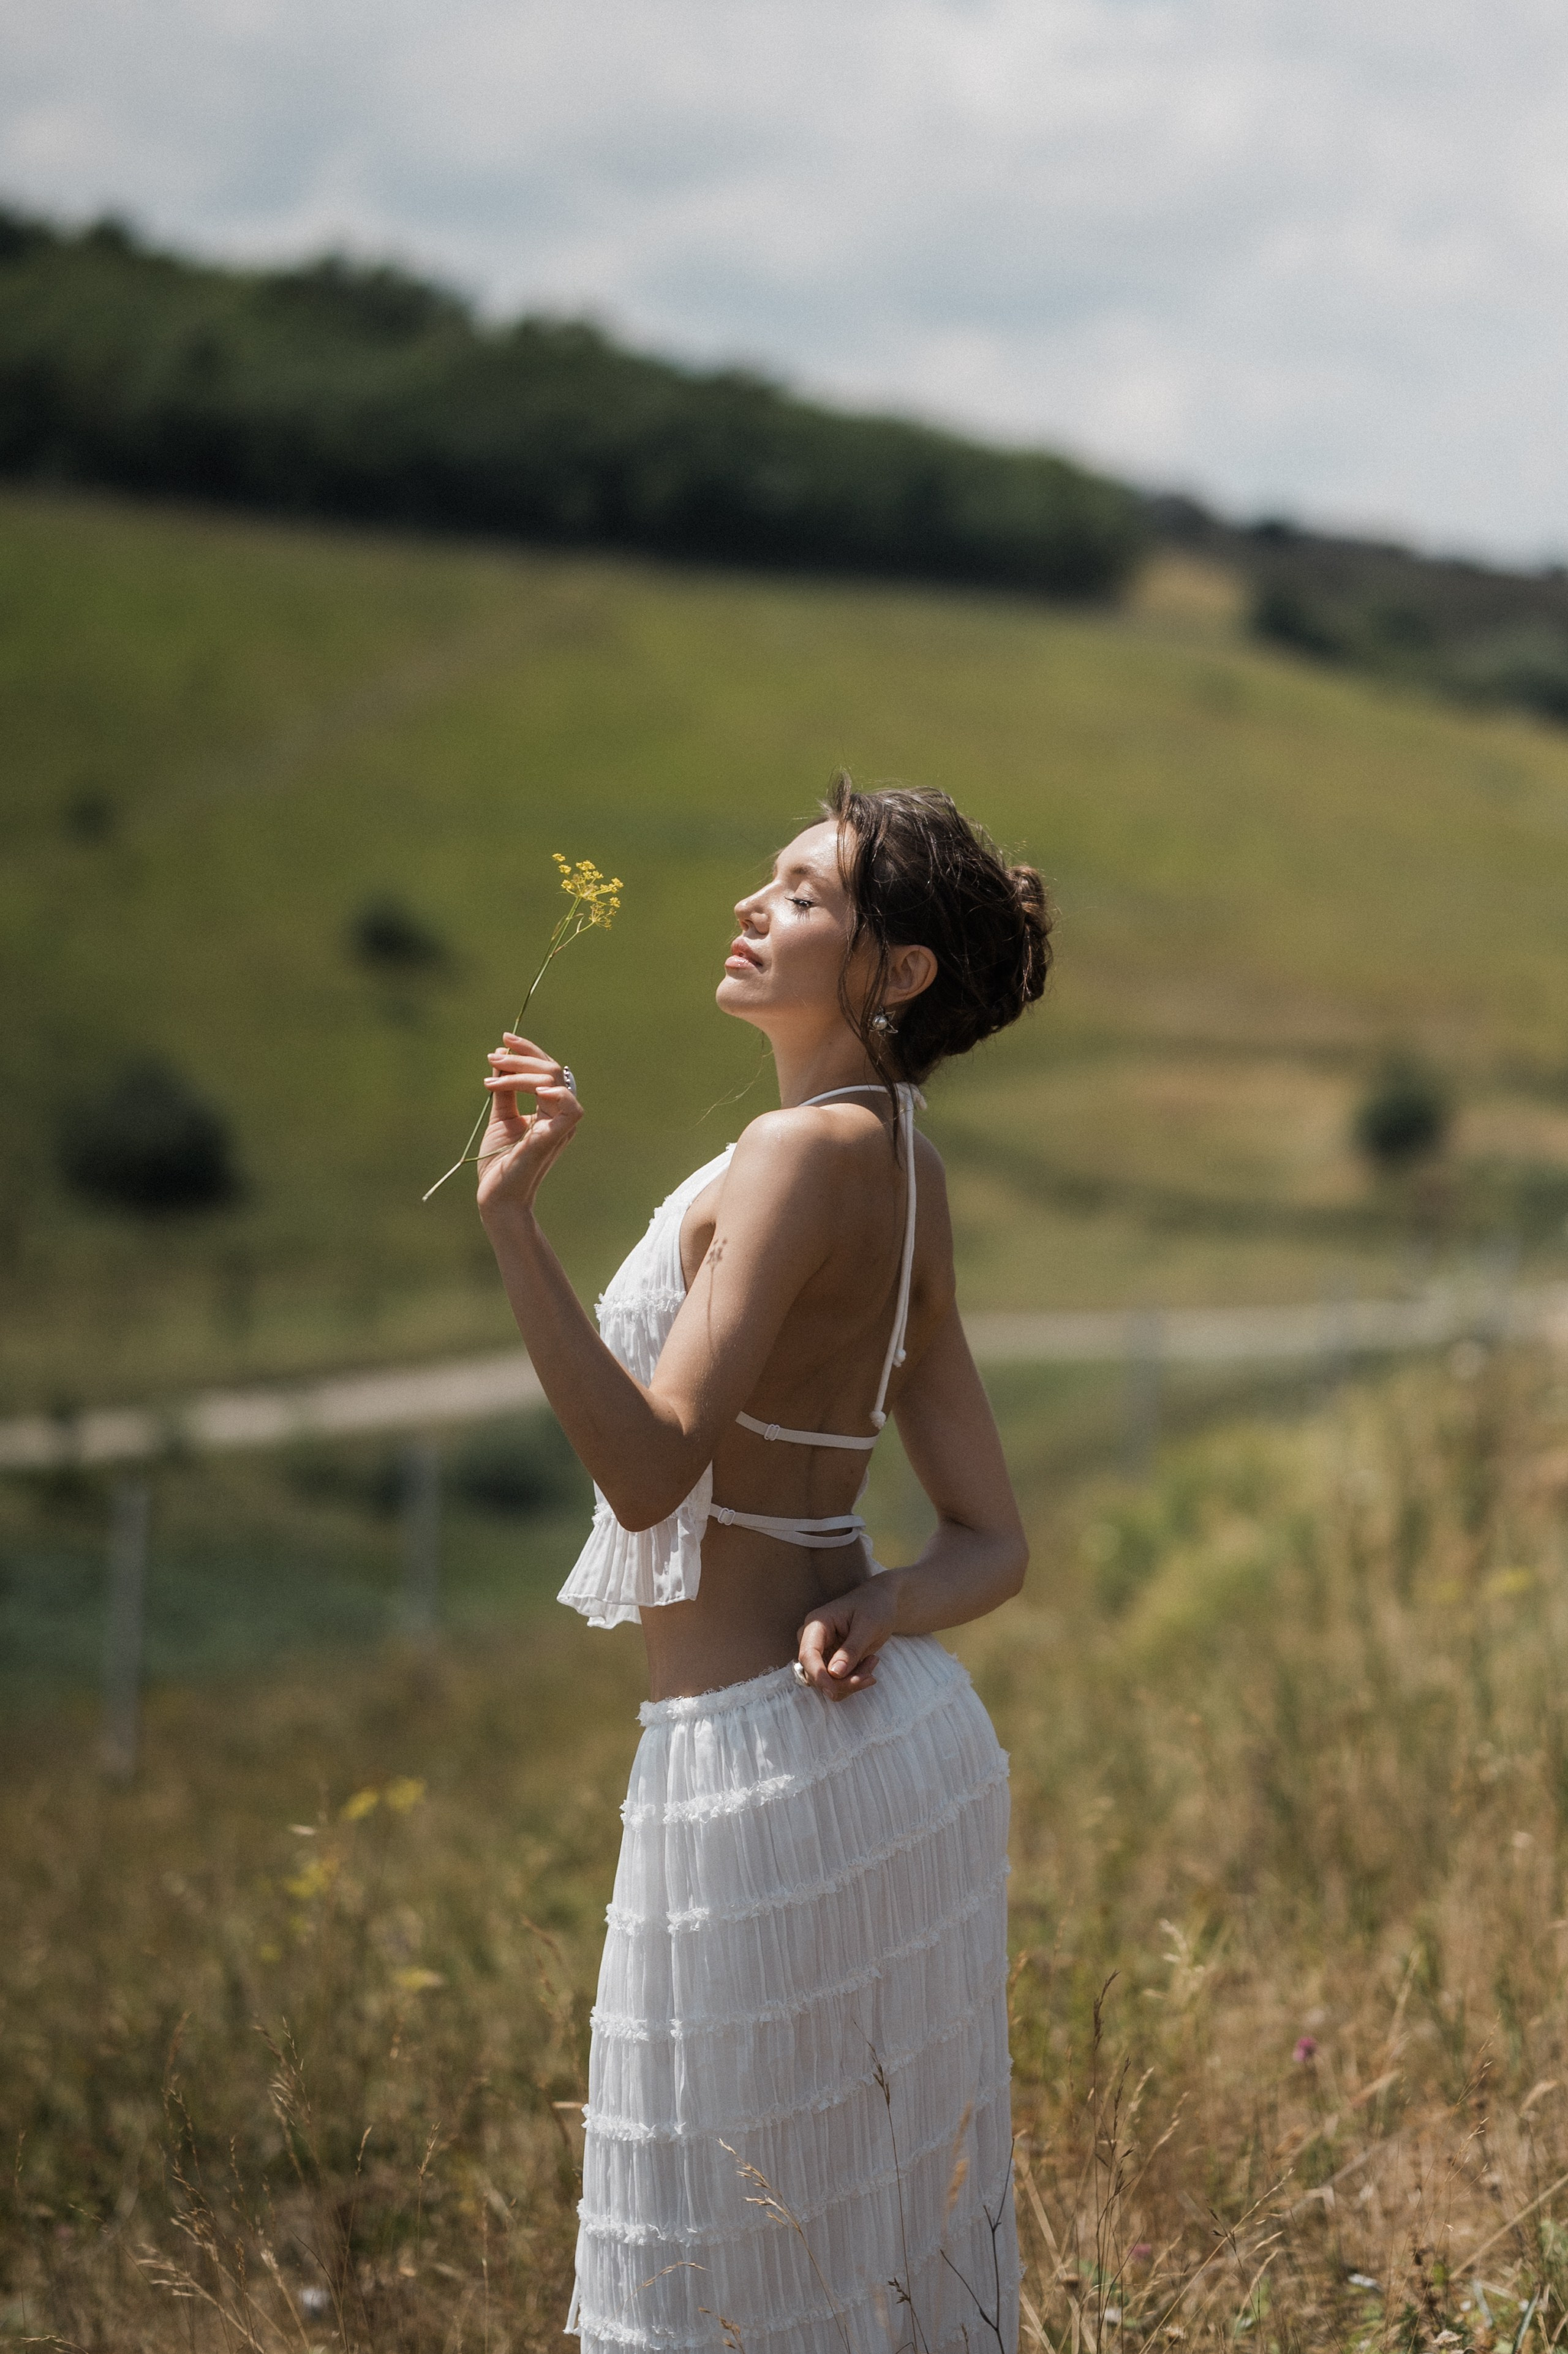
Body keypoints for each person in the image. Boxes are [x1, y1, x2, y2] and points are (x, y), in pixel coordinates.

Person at [477, 773, 1049, 2353]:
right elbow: (992, 1542)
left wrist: (517, 1234)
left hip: (752, 1771)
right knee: (856, 2271)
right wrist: (884, 1604)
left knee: (714, 2280)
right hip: (889, 1755)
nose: (753, 906)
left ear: (897, 971)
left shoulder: (796, 1154)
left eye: (805, 895)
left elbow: (654, 1464)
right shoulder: (909, 1166)